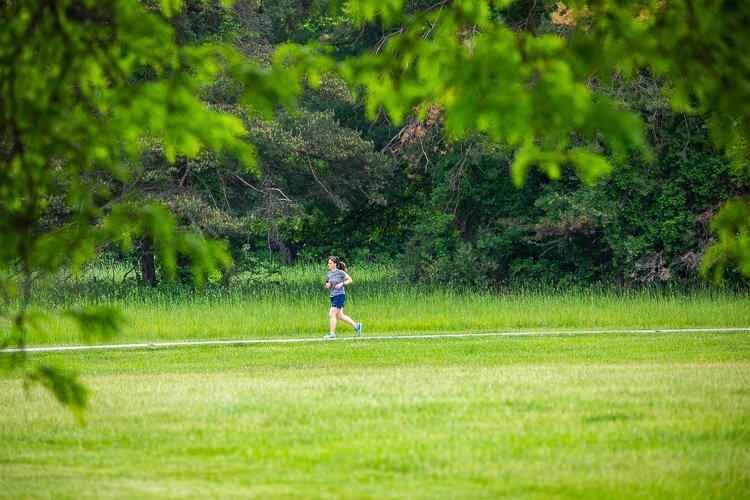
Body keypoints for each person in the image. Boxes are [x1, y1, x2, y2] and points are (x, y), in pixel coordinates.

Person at [324, 256, 362, 339]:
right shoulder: (328, 274)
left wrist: (342, 284)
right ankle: (357, 326)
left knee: (332, 314)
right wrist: (327, 285)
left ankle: (332, 333)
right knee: (340, 316)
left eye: (330, 263)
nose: (328, 264)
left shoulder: (340, 272)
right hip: (332, 296)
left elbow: (350, 279)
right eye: (328, 263)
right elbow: (327, 284)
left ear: (335, 264)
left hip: (340, 295)